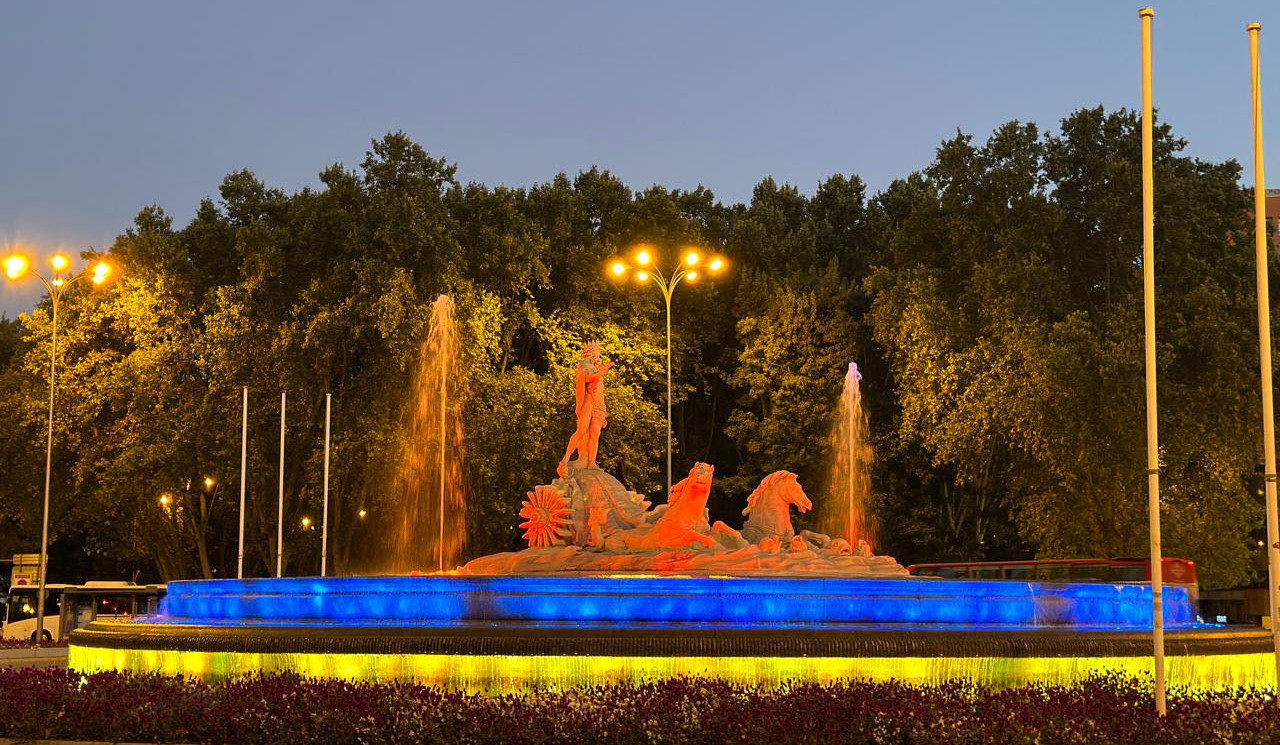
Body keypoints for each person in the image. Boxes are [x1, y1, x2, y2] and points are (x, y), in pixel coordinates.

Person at [559, 341, 614, 475]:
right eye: (597, 354)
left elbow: (599, 391)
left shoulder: (594, 368)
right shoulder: (584, 365)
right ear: (592, 354)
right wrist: (603, 371)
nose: (598, 357)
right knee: (582, 430)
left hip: (599, 405)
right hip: (588, 402)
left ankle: (591, 462)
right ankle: (566, 458)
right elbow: (589, 379)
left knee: (595, 434)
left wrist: (603, 411)